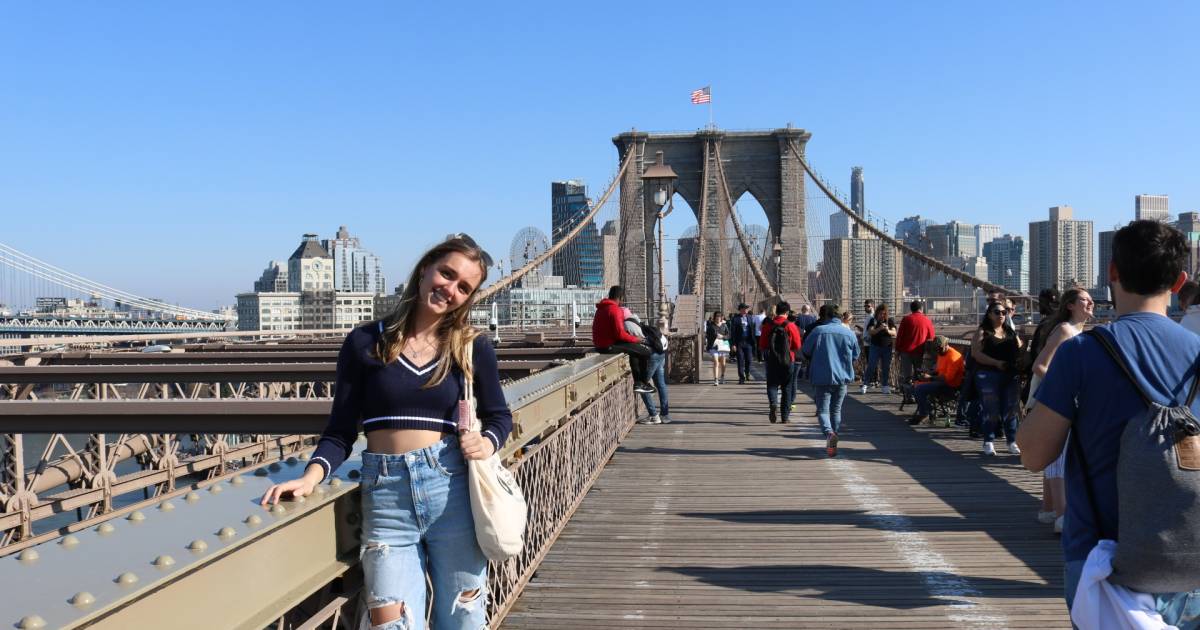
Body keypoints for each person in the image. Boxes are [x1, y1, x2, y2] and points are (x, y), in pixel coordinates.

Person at [261, 235, 511, 630]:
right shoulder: (364, 342)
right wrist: (310, 477)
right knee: (390, 623)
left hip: (452, 493)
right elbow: (340, 431)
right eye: (447, 274)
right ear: (426, 268)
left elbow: (500, 417)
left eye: (464, 287)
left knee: (464, 619)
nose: (450, 289)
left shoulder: (471, 346)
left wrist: (486, 442)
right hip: (386, 499)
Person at [1017, 220, 1200, 625]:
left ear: (1112, 272)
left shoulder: (1082, 353)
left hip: (1104, 563)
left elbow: (1033, 455)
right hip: (1192, 563)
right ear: (1179, 282)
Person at [1027, 288, 1094, 534]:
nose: (1090, 303)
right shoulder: (1065, 330)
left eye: (1091, 300)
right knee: (1060, 457)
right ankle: (1063, 516)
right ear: (1070, 306)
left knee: (1055, 453)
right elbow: (1039, 366)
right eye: (1084, 300)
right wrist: (1067, 388)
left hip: (1062, 400)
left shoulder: (1081, 332)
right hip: (1055, 401)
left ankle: (1048, 509)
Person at [803, 304, 860, 456]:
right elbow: (856, 355)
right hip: (842, 377)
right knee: (836, 410)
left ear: (825, 316)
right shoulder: (849, 333)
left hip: (821, 376)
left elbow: (806, 350)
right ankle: (834, 436)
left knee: (823, 410)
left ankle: (829, 433)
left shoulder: (818, 331)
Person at [972, 301, 1023, 456]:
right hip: (988, 374)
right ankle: (988, 441)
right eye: (997, 312)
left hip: (1010, 374)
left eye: (1004, 312)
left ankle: (1012, 441)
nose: (1001, 315)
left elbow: (1019, 348)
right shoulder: (983, 331)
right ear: (989, 314)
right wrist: (996, 363)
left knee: (1011, 409)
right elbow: (976, 353)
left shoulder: (1010, 331)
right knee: (991, 408)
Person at [593, 286, 655, 394]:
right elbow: (620, 334)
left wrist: (632, 341)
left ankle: (639, 383)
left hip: (600, 345)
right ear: (620, 297)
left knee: (635, 351)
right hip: (609, 346)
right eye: (622, 299)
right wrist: (636, 339)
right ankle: (642, 383)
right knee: (645, 352)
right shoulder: (615, 310)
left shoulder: (601, 309)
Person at [624, 309, 671, 425]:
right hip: (660, 352)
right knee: (660, 384)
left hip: (651, 355)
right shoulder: (636, 320)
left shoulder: (626, 324)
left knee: (641, 385)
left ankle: (653, 415)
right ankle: (665, 415)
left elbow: (631, 340)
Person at [759, 301, 801, 424]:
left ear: (776, 311)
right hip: (788, 360)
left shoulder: (768, 325)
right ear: (787, 312)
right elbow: (797, 345)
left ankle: (773, 404)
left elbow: (762, 344)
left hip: (772, 360)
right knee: (787, 388)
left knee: (772, 385)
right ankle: (785, 417)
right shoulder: (791, 326)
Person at [907, 336, 965, 425]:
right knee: (913, 386)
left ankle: (925, 414)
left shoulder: (953, 357)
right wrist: (928, 373)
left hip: (950, 386)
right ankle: (928, 411)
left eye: (939, 348)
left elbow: (948, 378)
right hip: (940, 382)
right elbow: (938, 370)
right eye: (936, 349)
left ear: (946, 345)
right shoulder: (942, 353)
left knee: (919, 389)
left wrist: (930, 378)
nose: (938, 351)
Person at [896, 300, 936, 389]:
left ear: (911, 309)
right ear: (921, 308)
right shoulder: (927, 320)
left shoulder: (906, 319)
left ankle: (907, 394)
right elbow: (932, 337)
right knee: (918, 375)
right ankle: (916, 393)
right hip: (919, 352)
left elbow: (899, 336)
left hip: (905, 351)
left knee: (907, 376)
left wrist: (897, 349)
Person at [861, 304, 897, 395]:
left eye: (884, 314)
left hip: (887, 347)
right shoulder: (873, 320)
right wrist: (880, 328)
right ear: (877, 313)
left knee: (886, 367)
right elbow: (871, 332)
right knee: (871, 365)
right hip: (875, 347)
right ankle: (865, 384)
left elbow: (894, 332)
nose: (882, 315)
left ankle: (885, 386)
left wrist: (887, 330)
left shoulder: (889, 320)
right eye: (881, 313)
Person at [729, 303, 757, 384]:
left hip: (748, 342)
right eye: (744, 308)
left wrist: (754, 341)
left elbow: (753, 329)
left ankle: (747, 373)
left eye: (746, 308)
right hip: (739, 342)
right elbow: (732, 332)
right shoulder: (735, 319)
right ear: (740, 309)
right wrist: (733, 344)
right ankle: (741, 378)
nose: (746, 310)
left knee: (749, 360)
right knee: (740, 360)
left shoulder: (750, 317)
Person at [705, 311, 731, 386]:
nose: (718, 318)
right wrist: (714, 336)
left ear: (721, 317)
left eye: (719, 316)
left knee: (723, 363)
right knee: (716, 362)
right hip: (714, 346)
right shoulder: (711, 326)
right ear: (714, 317)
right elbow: (707, 336)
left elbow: (728, 335)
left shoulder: (724, 325)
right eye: (717, 316)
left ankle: (722, 376)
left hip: (722, 346)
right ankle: (716, 379)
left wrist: (723, 337)